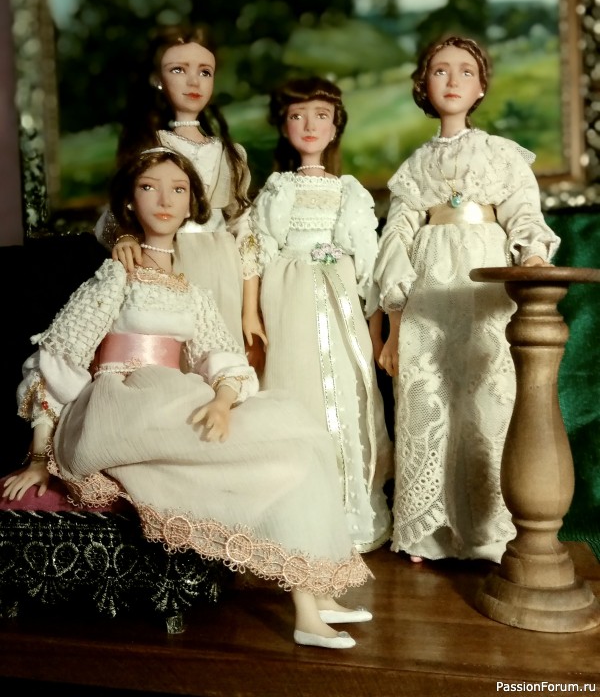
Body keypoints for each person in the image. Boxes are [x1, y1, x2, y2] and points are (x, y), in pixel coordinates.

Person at [4, 147, 373, 649]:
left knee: (300, 442)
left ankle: (314, 599)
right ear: (129, 202)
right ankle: (308, 610)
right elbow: (58, 359)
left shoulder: (190, 292)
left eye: (178, 190)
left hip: (173, 401)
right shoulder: (117, 275)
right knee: (279, 450)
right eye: (149, 188)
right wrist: (38, 459)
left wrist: (221, 401)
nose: (165, 200)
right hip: (118, 411)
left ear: (191, 204)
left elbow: (223, 358)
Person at [374, 35, 561, 564]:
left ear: (480, 88)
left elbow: (523, 211)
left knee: (488, 394)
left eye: (465, 71)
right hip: (430, 287)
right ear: (424, 85)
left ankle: (490, 531)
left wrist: (532, 254)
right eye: (440, 71)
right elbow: (397, 237)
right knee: (428, 393)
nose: (452, 80)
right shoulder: (415, 165)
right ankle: (427, 531)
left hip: (484, 280)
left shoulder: (500, 154)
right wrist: (394, 319)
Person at [241, 76, 393, 553]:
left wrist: (374, 332)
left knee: (349, 393)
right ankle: (297, 513)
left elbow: (368, 266)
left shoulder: (349, 191)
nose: (310, 126)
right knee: (296, 386)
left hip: (340, 297)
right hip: (289, 299)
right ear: (284, 126)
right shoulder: (278, 189)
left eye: (321, 116)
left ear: (335, 127)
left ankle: (351, 511)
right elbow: (257, 251)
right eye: (297, 116)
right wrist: (253, 315)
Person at [95, 23, 251, 347]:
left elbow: (243, 226)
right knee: (172, 344)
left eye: (205, 72)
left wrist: (252, 307)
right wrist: (126, 235)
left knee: (220, 348)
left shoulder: (231, 154)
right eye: (178, 70)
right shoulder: (151, 148)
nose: (194, 81)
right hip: (166, 257)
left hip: (224, 265)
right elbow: (118, 212)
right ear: (158, 79)